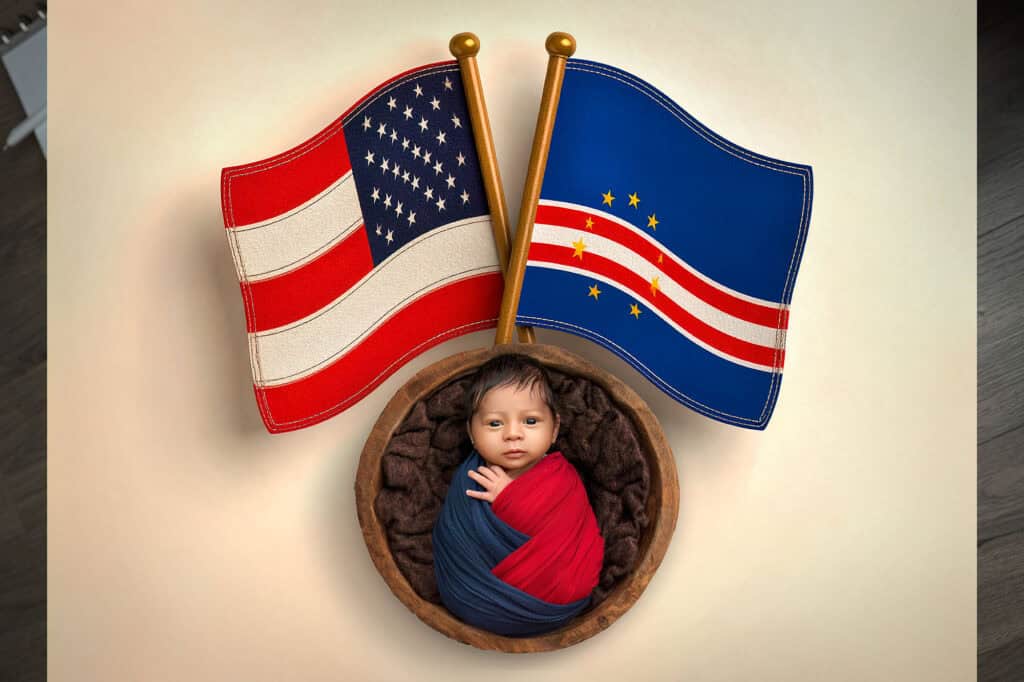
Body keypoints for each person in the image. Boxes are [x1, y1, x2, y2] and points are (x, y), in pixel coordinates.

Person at [431, 353, 605, 636]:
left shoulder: (562, 477)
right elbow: (455, 536)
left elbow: (570, 527)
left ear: (554, 429)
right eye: (495, 423)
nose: (513, 434)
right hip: (476, 597)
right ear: (471, 433)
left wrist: (511, 499)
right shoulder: (472, 479)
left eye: (531, 421)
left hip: (559, 595)